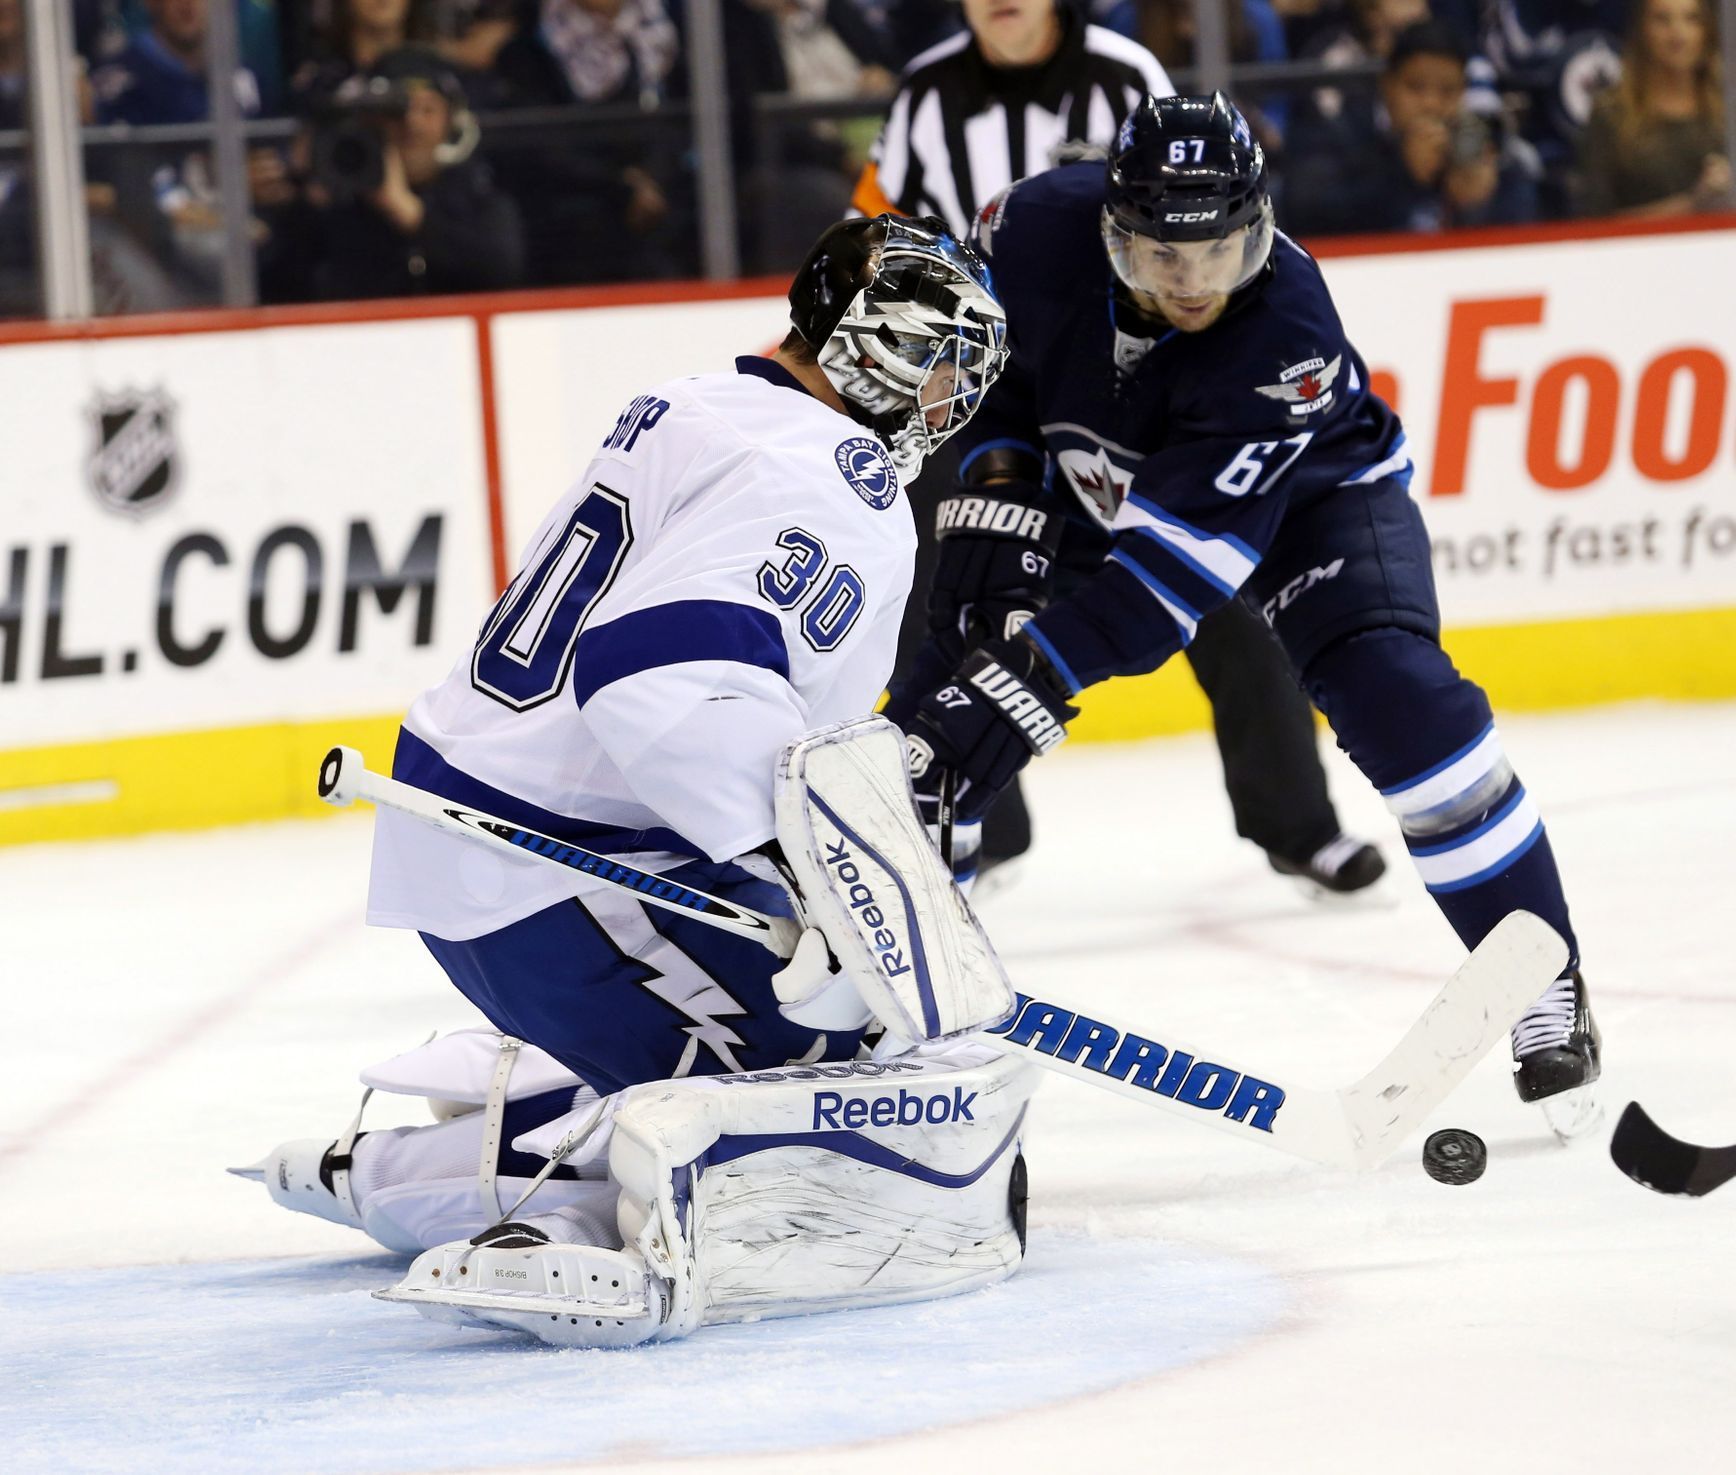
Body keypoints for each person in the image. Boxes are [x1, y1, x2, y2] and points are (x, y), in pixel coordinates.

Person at [237, 214, 1037, 1349]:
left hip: (504, 831)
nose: (954, 400)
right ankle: (528, 1186)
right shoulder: (834, 477)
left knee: (866, 1054)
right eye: (947, 364)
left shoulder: (707, 399)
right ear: (881, 347)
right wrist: (805, 880)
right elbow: (659, 677)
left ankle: (434, 1150)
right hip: (555, 872)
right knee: (858, 1093)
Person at [892, 94, 1600, 1116]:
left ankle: (1543, 975)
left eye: (1219, 254)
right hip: (1098, 469)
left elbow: (1161, 589)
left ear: (1258, 226)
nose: (1192, 285)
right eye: (1162, 258)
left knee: (1401, 701)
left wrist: (1031, 678)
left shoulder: (1285, 335)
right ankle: (900, 989)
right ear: (1108, 228)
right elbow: (989, 370)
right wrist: (997, 478)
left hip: (1314, 500)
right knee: (935, 692)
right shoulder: (1030, 225)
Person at [858, 0, 1384, 896]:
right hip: (1004, 382)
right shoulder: (925, 92)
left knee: (1220, 589)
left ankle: (1296, 823)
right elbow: (885, 233)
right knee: (959, 586)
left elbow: (1196, 231)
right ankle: (965, 827)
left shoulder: (1127, 75)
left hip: (1140, 373)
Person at [260, 48, 525, 301]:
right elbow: (278, 285)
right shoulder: (338, 203)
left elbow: (501, 270)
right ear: (372, 120)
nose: (413, 124)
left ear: (450, 121)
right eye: (397, 112)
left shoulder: (477, 199)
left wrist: (407, 212)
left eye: (428, 109)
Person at [1282, 21, 1540, 236]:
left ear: (1463, 91)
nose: (1431, 104)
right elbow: (1305, 209)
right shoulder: (1340, 129)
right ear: (1387, 84)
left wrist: (1477, 206)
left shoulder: (1475, 143)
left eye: (1447, 91)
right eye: (1416, 87)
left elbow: (1527, 226)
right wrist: (1403, 175)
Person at [1575, 0, 1731, 217]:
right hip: (1640, 250)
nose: (1678, 34)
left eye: (1692, 19)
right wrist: (1692, 205)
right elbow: (1593, 225)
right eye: (1662, 19)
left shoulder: (1728, 108)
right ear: (1641, 30)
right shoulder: (1611, 114)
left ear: (1709, 30)